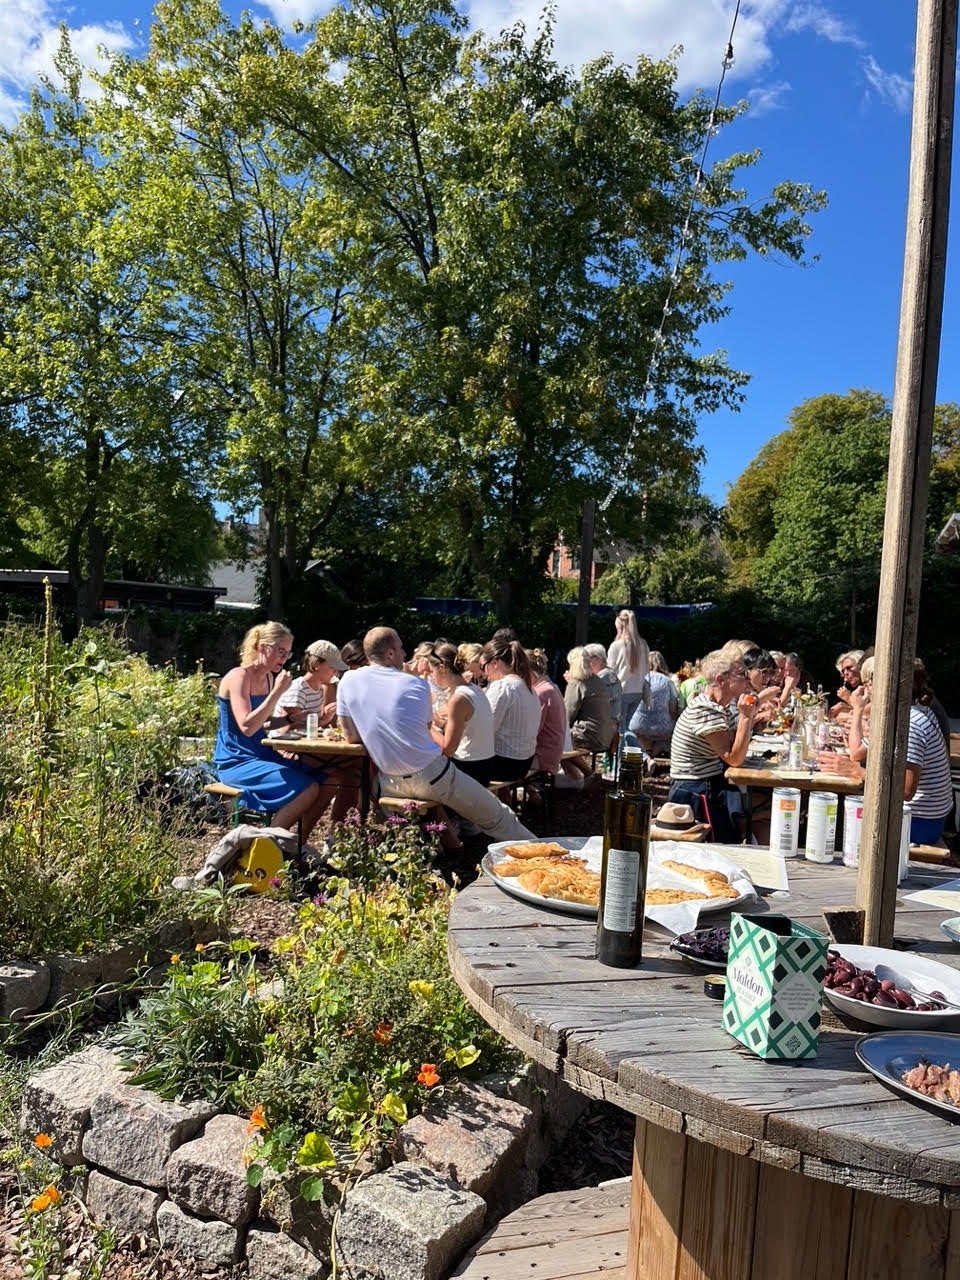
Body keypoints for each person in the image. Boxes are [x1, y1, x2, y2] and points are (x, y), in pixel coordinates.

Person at [335, 627, 535, 842]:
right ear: (390, 653)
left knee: (367, 789)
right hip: (432, 776)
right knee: (499, 817)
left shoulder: (347, 681)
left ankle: (336, 838)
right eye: (401, 649)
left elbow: (351, 736)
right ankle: (541, 851)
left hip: (390, 782)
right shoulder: (415, 684)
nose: (404, 654)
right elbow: (427, 730)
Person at [213, 622, 333, 839]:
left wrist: (290, 720)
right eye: (280, 651)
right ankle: (268, 843)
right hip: (237, 759)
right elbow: (247, 727)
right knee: (308, 788)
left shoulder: (268, 677)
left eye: (288, 653)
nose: (284, 658)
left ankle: (298, 843)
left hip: (261, 753)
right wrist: (277, 692)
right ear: (262, 647)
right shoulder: (239, 676)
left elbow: (261, 724)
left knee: (329, 780)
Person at [666, 649, 757, 844]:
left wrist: (747, 717)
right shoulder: (705, 710)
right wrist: (745, 717)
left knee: (755, 812)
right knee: (720, 845)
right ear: (721, 680)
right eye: (742, 674)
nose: (748, 679)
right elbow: (734, 758)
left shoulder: (720, 709)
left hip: (707, 784)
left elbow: (735, 748)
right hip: (693, 792)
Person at [428, 642, 496, 784]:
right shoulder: (475, 690)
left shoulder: (459, 699)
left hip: (469, 770)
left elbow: (447, 749)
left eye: (431, 671)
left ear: (442, 668)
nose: (431, 676)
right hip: (485, 767)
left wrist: (426, 726)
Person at [481, 637, 542, 782]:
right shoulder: (529, 688)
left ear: (494, 663)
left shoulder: (502, 687)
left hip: (504, 765)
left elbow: (484, 731)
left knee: (450, 761)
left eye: (483, 667)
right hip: (523, 763)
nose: (484, 674)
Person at [272, 639, 346, 735]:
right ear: (316, 665)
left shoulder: (318, 689)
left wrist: (325, 718)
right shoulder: (298, 689)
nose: (335, 672)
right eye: (332, 667)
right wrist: (323, 720)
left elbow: (308, 728)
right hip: (281, 743)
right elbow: (286, 730)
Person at [627, 650, 681, 761]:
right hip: (662, 728)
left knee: (640, 733)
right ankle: (653, 753)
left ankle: (647, 758)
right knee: (667, 734)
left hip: (637, 725)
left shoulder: (636, 680)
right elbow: (673, 710)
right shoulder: (668, 682)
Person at [564, 645, 614, 758]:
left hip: (587, 736)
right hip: (605, 736)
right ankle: (582, 769)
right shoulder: (598, 681)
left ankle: (580, 770)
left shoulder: (576, 683)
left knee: (552, 740)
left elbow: (567, 716)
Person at [607, 609, 649, 733]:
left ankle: (629, 745)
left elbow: (609, 671)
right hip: (638, 691)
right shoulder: (643, 645)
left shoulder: (616, 646)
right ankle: (629, 745)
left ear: (619, 625)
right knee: (625, 727)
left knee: (620, 730)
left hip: (621, 691)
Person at [526, 648, 567, 777]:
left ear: (529, 673)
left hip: (543, 756)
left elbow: (533, 730)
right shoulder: (551, 686)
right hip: (552, 752)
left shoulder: (541, 692)